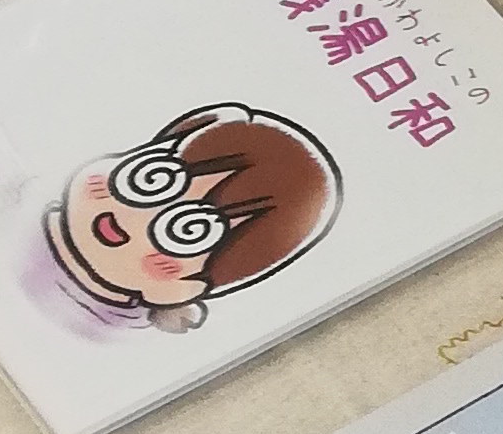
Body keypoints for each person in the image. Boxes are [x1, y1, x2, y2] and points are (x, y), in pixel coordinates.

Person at [38, 105, 344, 337]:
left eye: (187, 230)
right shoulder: (26, 201)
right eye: (151, 179)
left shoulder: (117, 331)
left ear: (187, 286)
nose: (135, 217)